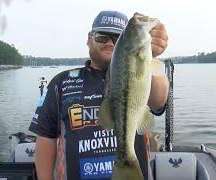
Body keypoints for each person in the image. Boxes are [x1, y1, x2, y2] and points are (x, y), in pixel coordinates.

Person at [29, 10, 169, 180]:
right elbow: (45, 137)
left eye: (117, 39)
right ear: (89, 39)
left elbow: (158, 101)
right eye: (102, 36)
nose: (110, 43)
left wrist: (150, 54)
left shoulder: (145, 73)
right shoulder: (60, 82)